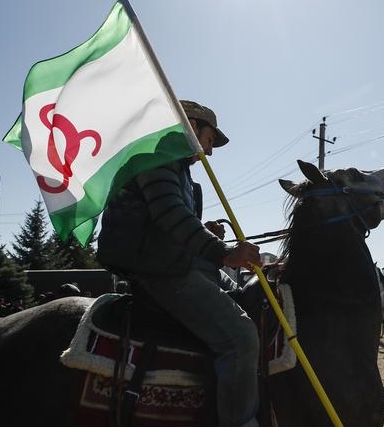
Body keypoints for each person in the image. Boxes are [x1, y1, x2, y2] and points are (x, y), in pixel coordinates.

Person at [97, 100, 262, 427]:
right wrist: (224, 252)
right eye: (210, 139)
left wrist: (205, 232)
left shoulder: (179, 170)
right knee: (241, 336)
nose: (209, 152)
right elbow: (169, 214)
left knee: (254, 299)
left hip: (184, 264)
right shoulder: (155, 156)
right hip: (162, 272)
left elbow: (175, 221)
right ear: (188, 124)